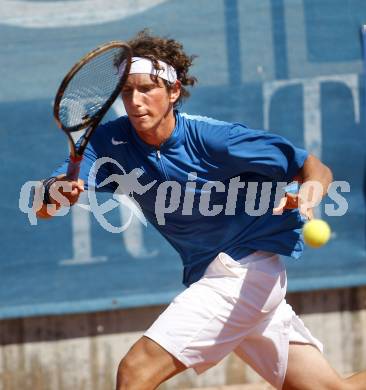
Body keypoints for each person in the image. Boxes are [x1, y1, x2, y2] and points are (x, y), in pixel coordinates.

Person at [35, 30, 366, 390]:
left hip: (243, 270)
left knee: (136, 372)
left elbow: (314, 167)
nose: (135, 101)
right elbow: (44, 207)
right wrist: (57, 194)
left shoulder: (214, 139)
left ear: (173, 92)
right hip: (212, 275)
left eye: (147, 89)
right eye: (127, 91)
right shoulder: (107, 142)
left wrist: (310, 192)